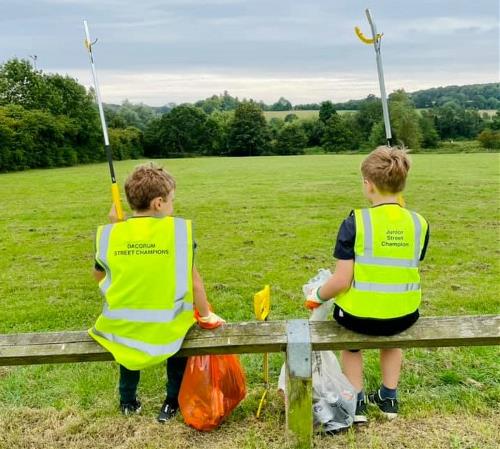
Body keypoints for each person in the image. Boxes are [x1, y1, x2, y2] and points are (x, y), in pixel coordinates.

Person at [89, 162, 225, 423]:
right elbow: (194, 280)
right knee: (181, 339)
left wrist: (115, 228)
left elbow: (98, 275)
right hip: (169, 326)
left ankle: (127, 401)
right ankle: (171, 402)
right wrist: (206, 315)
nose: (174, 205)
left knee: (129, 349)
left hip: (123, 327)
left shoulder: (110, 234)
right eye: (172, 199)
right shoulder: (178, 233)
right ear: (159, 203)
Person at [305, 146, 429, 423]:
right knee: (392, 339)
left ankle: (357, 400)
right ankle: (388, 398)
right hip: (403, 316)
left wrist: (317, 295)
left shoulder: (355, 222)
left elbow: (340, 281)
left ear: (367, 184)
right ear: (402, 183)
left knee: (351, 346)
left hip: (357, 318)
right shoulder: (419, 223)